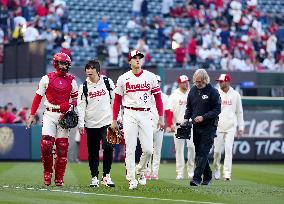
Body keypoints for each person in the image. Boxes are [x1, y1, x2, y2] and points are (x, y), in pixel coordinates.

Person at [111, 50, 164, 190]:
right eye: (134, 58)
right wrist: (114, 119)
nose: (138, 60)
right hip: (129, 113)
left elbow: (158, 98)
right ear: (129, 61)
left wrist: (161, 117)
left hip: (146, 114)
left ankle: (140, 170)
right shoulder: (123, 78)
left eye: (140, 57)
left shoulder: (150, 77)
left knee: (148, 150)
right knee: (130, 148)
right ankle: (131, 178)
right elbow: (116, 101)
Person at [26, 52, 78, 186]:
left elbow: (76, 101)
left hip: (64, 116)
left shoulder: (72, 80)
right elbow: (38, 97)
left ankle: (59, 178)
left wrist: (70, 106)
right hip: (49, 114)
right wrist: (32, 115)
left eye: (66, 63)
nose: (64, 66)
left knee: (62, 148)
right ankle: (47, 173)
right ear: (56, 63)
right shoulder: (46, 78)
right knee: (47, 145)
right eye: (62, 63)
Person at [77, 59, 116, 188]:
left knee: (108, 147)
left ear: (97, 70)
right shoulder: (83, 87)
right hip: (91, 124)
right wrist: (81, 124)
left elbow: (114, 101)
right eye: (87, 68)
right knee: (93, 152)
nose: (89, 70)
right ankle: (94, 177)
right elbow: (81, 106)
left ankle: (106, 176)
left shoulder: (107, 82)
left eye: (91, 68)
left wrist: (117, 118)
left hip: (107, 122)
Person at [183, 69, 221, 186]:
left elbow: (217, 110)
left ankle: (196, 178)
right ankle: (208, 175)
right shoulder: (193, 91)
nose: (198, 83)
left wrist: (204, 117)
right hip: (196, 126)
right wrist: (186, 118)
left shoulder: (213, 92)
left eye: (200, 81)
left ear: (205, 79)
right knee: (200, 153)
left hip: (209, 127)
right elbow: (189, 107)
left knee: (203, 152)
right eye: (196, 81)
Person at [213, 74, 244, 181]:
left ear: (227, 82)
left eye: (222, 81)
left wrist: (241, 127)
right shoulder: (216, 93)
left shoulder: (236, 95)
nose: (220, 83)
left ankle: (227, 174)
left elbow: (239, 112)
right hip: (218, 126)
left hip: (231, 126)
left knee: (228, 149)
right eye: (219, 81)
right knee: (216, 151)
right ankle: (216, 168)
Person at [166, 75, 195, 180]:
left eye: (187, 81)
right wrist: (169, 125)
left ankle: (191, 170)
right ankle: (180, 172)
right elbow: (169, 111)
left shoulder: (192, 94)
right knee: (179, 150)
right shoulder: (174, 95)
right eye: (184, 82)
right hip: (178, 125)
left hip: (191, 124)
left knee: (192, 147)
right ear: (179, 83)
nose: (187, 83)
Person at [144, 75, 168, 180]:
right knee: (148, 150)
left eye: (158, 81)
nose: (157, 83)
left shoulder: (165, 97)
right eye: (155, 81)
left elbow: (167, 112)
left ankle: (155, 172)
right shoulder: (147, 95)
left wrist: (165, 123)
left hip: (159, 125)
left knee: (157, 151)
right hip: (148, 125)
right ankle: (147, 171)